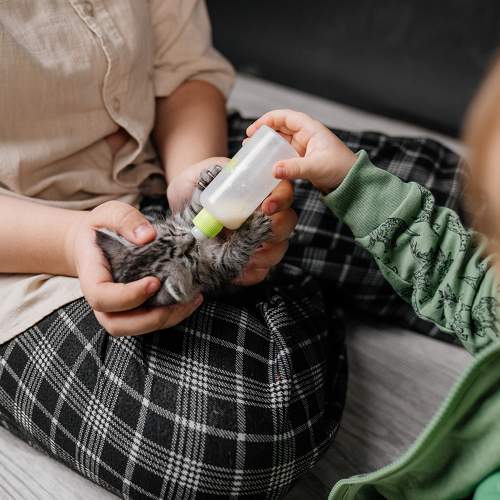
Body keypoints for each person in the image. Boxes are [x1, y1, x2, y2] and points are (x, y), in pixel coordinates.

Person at [0, 2, 344, 498]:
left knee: (391, 184)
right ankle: (292, 287)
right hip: (23, 243)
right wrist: (72, 241)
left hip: (155, 158)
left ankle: (274, 293)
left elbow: (184, 71)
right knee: (222, 443)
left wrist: (196, 173)